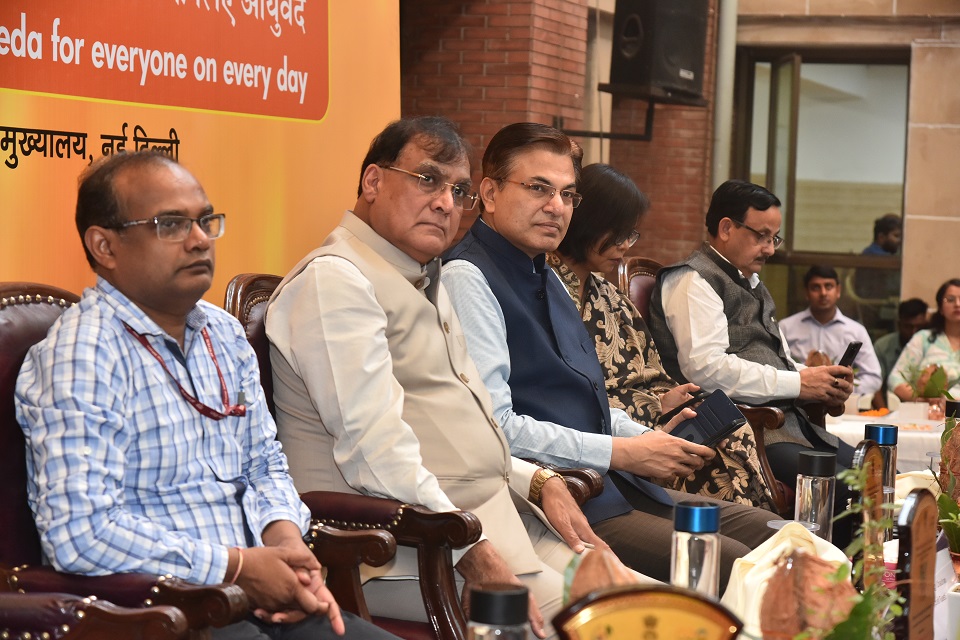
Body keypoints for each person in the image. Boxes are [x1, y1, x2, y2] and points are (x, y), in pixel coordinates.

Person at [266, 117, 633, 640]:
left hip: (500, 521)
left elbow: (465, 429)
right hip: (401, 552)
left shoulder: (421, 275)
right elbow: (374, 450)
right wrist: (471, 551)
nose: (445, 203)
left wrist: (537, 479)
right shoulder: (336, 281)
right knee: (626, 627)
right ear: (373, 181)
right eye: (427, 180)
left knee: (671, 611)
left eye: (458, 190)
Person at [16, 151, 396, 640]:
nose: (199, 240)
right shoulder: (82, 355)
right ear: (104, 245)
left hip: (262, 595)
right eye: (171, 225)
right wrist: (237, 568)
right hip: (163, 614)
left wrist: (285, 541)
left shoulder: (223, 333)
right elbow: (81, 534)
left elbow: (264, 463)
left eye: (204, 221)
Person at [442, 123, 776, 589]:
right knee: (739, 564)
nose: (556, 206)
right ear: (490, 193)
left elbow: (588, 403)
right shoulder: (468, 277)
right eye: (538, 188)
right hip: (555, 500)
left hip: (616, 483)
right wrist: (626, 452)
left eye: (567, 194)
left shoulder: (547, 275)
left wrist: (652, 440)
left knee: (779, 537)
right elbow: (497, 428)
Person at [548, 163, 775, 511]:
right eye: (618, 233)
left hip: (648, 415)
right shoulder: (545, 287)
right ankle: (732, 536)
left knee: (730, 429)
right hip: (602, 433)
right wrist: (653, 410)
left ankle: (762, 533)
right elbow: (565, 393)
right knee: (705, 460)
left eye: (630, 234)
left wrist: (667, 397)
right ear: (588, 222)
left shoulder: (609, 295)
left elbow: (650, 371)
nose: (625, 245)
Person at [647, 179, 857, 547]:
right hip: (740, 432)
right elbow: (706, 369)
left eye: (775, 238)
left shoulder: (751, 282)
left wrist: (818, 381)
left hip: (788, 424)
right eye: (762, 236)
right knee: (849, 490)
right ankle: (825, 578)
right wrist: (799, 383)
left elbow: (778, 359)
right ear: (727, 228)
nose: (770, 249)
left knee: (876, 472)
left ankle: (870, 576)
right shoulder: (692, 279)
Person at [779, 265, 883, 397]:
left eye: (828, 286)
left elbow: (873, 377)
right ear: (806, 292)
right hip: (797, 401)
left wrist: (842, 387)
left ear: (838, 290)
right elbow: (775, 370)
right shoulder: (785, 328)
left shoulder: (856, 331)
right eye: (816, 287)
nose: (823, 293)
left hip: (842, 404)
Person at [889, 279, 960, 402]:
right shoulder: (924, 339)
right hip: (928, 410)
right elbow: (895, 378)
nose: (957, 304)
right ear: (940, 308)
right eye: (950, 299)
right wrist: (921, 401)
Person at [872, 298, 928, 407]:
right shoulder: (883, 346)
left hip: (924, 407)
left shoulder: (932, 345)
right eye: (908, 327)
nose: (914, 332)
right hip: (891, 405)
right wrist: (884, 413)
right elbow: (875, 384)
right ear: (899, 324)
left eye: (919, 327)